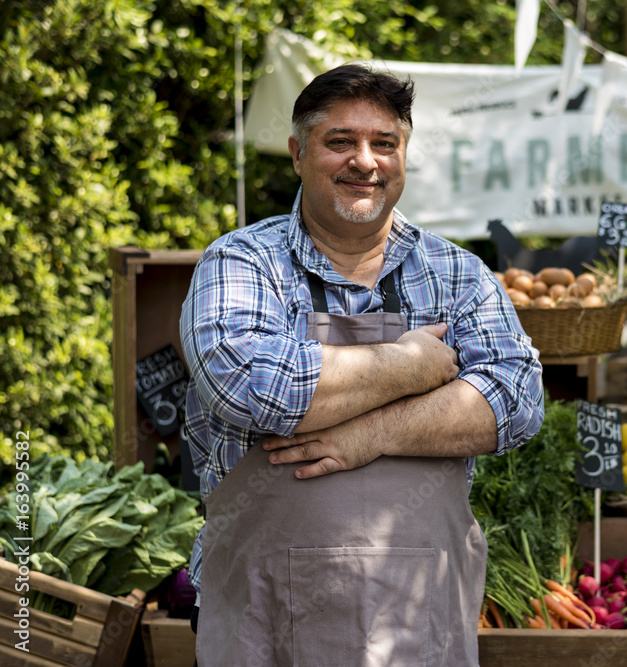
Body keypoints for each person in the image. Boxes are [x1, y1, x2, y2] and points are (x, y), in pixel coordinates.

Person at [179, 63, 544, 666]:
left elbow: (518, 401)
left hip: (418, 618)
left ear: (404, 156)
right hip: (262, 615)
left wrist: (371, 433)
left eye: (384, 144)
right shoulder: (243, 261)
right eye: (340, 142)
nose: (364, 161)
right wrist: (408, 366)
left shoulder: (458, 274)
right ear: (298, 154)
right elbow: (247, 384)